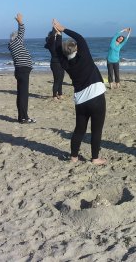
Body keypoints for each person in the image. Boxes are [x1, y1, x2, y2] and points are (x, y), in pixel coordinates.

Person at [51, 19, 107, 165]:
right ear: (76, 48)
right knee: (96, 130)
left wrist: (57, 34)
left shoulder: (65, 63)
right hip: (96, 98)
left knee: (79, 130)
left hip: (81, 101)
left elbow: (57, 50)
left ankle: (74, 157)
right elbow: (80, 38)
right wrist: (63, 29)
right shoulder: (85, 57)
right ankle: (95, 158)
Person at [8, 13, 36, 124]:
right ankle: (24, 118)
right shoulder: (16, 42)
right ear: (16, 38)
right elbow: (22, 30)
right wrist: (20, 22)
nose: (22, 40)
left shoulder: (12, 45)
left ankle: (21, 117)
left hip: (20, 71)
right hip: (23, 71)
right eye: (20, 38)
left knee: (21, 95)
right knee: (24, 95)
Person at [45, 28, 65, 100]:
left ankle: (60, 94)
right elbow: (54, 38)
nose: (57, 36)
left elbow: (59, 37)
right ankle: (54, 96)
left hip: (61, 63)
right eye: (55, 35)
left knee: (61, 79)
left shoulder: (57, 42)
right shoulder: (51, 43)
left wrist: (57, 30)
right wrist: (54, 31)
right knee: (57, 79)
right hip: (55, 63)